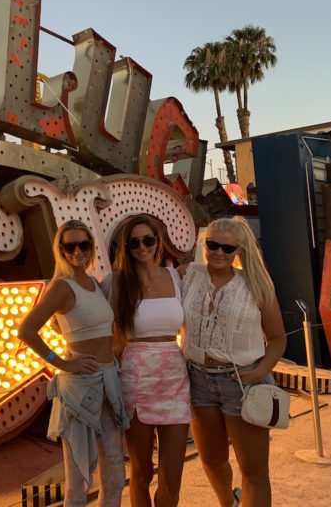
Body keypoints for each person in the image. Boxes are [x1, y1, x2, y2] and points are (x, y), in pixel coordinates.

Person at [18, 220, 128, 507]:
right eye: (70, 246)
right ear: (61, 250)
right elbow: (26, 330)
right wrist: (64, 365)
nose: (77, 251)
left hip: (108, 382)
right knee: (78, 480)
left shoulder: (92, 283)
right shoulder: (61, 286)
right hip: (81, 388)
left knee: (115, 477)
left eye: (83, 244)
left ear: (91, 247)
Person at [179, 216, 286, 507]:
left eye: (228, 248)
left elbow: (277, 338)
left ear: (239, 251)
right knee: (212, 461)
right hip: (198, 380)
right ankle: (229, 503)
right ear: (205, 243)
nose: (219, 253)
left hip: (242, 381)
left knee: (253, 470)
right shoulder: (187, 275)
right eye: (212, 245)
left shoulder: (255, 284)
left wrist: (260, 372)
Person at [109, 215, 190, 507]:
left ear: (158, 243)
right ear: (127, 247)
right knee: (142, 473)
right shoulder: (118, 282)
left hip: (174, 380)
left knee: (172, 481)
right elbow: (86, 315)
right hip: (136, 380)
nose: (142, 247)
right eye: (134, 242)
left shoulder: (175, 276)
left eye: (148, 240)